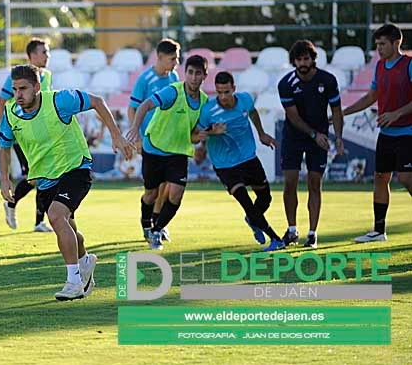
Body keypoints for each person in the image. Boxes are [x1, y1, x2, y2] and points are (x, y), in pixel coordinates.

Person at [0, 64, 134, 301]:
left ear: (37, 87)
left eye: (24, 88)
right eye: (15, 89)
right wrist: (4, 179)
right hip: (45, 178)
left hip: (75, 168)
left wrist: (115, 135)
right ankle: (85, 261)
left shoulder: (60, 101)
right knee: (69, 228)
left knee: (56, 216)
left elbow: (97, 101)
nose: (18, 94)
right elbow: (4, 147)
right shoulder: (11, 113)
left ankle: (73, 282)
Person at [126, 54, 208, 250]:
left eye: (198, 73)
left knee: (176, 194)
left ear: (205, 75)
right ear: (185, 73)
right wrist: (135, 129)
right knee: (151, 195)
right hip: (154, 148)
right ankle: (146, 223)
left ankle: (157, 230)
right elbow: (144, 105)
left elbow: (195, 133)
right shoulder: (172, 92)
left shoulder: (204, 102)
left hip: (178, 153)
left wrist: (202, 145)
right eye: (190, 72)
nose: (193, 77)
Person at [197, 71, 285, 252]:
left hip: (248, 158)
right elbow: (197, 134)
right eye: (219, 92)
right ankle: (276, 239)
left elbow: (252, 112)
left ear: (234, 89)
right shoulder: (207, 111)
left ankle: (253, 220)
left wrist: (261, 134)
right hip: (224, 164)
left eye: (226, 92)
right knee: (245, 201)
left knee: (265, 198)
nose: (223, 97)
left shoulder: (245, 99)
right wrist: (212, 134)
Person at [343, 23, 412, 242]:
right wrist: (344, 112)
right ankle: (379, 231)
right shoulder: (380, 66)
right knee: (381, 178)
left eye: (383, 44)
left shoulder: (409, 65)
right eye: (377, 45)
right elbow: (372, 96)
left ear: (396, 42)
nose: (379, 49)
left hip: (407, 133)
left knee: (406, 178)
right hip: (386, 135)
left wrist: (396, 113)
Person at [277, 40, 344, 248]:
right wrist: (315, 135)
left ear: (313, 59)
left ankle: (312, 234)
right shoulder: (286, 84)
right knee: (290, 184)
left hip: (319, 139)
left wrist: (339, 137)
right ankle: (292, 230)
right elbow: (294, 118)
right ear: (293, 61)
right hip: (294, 137)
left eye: (306, 58)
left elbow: (336, 111)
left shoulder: (328, 80)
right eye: (299, 59)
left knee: (315, 184)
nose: (303, 63)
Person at [0, 38, 53, 232]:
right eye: (44, 52)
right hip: (22, 135)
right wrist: (10, 129)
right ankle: (12, 204)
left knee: (43, 175)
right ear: (32, 55)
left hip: (43, 136)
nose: (47, 56)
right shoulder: (17, 75)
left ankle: (39, 221)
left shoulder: (47, 76)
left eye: (48, 52)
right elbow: (1, 103)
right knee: (34, 175)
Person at [128, 38, 180, 242]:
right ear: (159, 57)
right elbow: (133, 107)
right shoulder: (145, 79)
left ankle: (158, 226)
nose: (175, 62)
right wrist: (136, 136)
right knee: (152, 190)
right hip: (150, 141)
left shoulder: (174, 76)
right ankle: (146, 222)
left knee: (168, 186)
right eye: (172, 58)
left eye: (177, 58)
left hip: (170, 142)